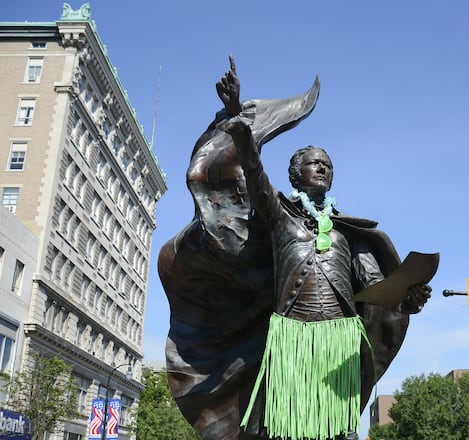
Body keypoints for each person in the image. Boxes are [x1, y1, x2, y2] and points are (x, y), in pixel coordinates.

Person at [158, 56, 433, 440]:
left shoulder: (347, 234)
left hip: (341, 345)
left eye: (327, 165)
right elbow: (254, 177)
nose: (322, 168)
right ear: (295, 174)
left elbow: (378, 293)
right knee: (285, 428)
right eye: (313, 163)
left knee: (339, 431)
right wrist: (239, 126)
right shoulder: (278, 217)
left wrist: (409, 298)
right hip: (292, 341)